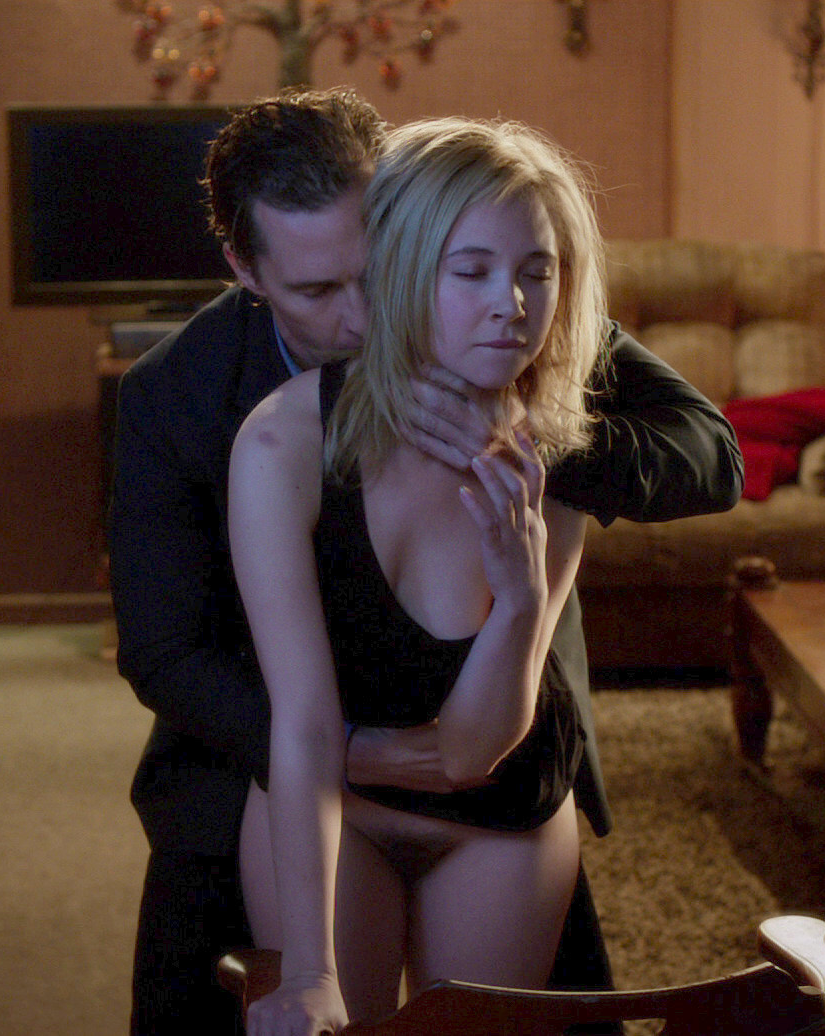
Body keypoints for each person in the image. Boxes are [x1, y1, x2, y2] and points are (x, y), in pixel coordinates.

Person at [111, 88, 742, 1036]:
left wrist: (530, 435)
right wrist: (353, 752)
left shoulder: (506, 320)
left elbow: (713, 455)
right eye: (320, 291)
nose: (365, 317)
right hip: (262, 743)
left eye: (380, 271)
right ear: (246, 269)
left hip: (498, 748)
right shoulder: (187, 400)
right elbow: (165, 653)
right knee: (205, 997)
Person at [233, 116, 607, 1034]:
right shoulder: (284, 443)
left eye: (537, 272)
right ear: (401, 272)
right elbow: (304, 723)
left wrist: (520, 599)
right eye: (471, 270)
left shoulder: (559, 450)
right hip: (337, 807)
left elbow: (473, 752)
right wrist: (308, 974)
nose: (511, 304)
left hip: (501, 805)